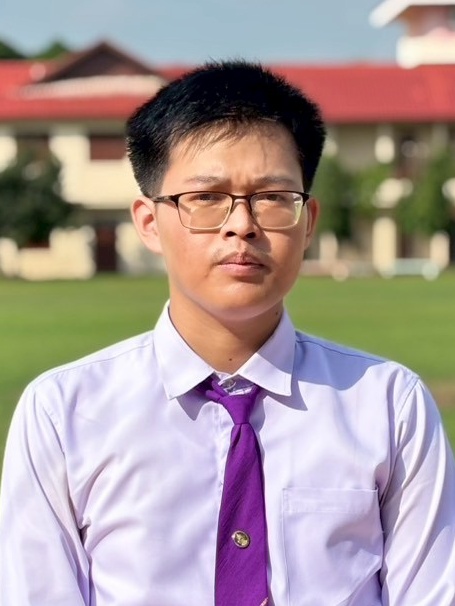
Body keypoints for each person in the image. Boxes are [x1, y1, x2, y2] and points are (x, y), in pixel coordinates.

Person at [1, 60, 454, 606]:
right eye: (207, 197)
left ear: (308, 221)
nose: (242, 224)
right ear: (149, 222)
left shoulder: (388, 405)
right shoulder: (64, 413)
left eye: (272, 197)